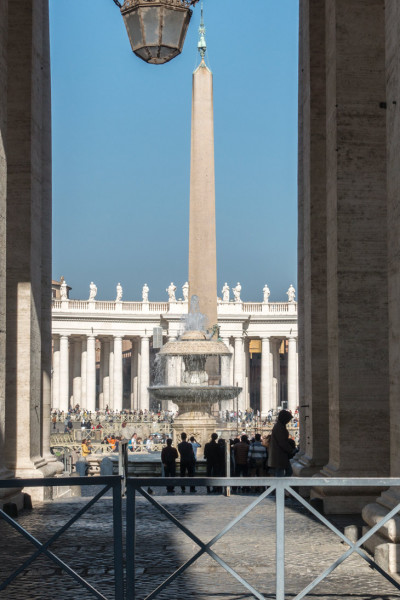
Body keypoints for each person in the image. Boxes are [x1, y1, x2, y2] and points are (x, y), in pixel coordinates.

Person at [268, 409, 295, 476]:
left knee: (287, 471)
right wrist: (290, 450)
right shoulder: (279, 427)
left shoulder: (280, 426)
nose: (288, 421)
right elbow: (282, 442)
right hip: (279, 455)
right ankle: (281, 486)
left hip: (281, 454)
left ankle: (283, 485)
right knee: (280, 474)